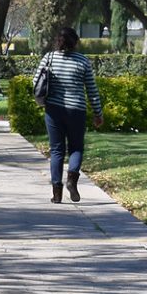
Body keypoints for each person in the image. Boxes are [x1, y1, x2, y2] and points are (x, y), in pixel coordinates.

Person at [34, 27, 103, 204]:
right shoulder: (83, 61)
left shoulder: (49, 58)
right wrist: (97, 113)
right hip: (76, 111)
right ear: (75, 42)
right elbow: (92, 90)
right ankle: (72, 180)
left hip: (53, 110)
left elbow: (36, 81)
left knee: (56, 150)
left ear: (57, 41)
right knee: (76, 147)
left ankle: (57, 193)